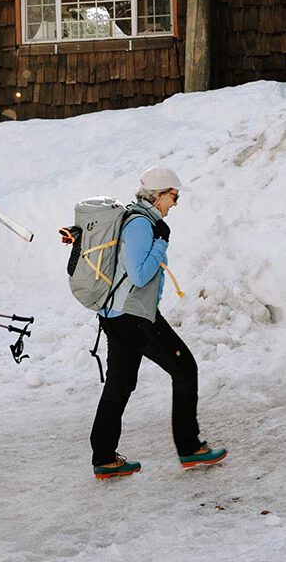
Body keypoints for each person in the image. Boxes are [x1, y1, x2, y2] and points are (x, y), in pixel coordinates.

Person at [90, 166, 227, 479]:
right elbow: (139, 275)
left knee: (120, 383)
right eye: (173, 196)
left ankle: (104, 457)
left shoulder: (136, 219)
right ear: (158, 194)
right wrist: (161, 242)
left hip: (117, 314)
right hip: (135, 315)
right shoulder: (140, 225)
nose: (175, 203)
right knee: (185, 369)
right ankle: (190, 448)